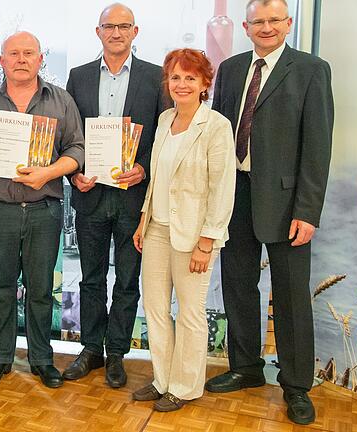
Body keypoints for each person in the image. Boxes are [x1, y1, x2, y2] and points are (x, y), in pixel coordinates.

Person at [204, 0, 334, 425]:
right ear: (245, 26)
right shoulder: (232, 68)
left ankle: (296, 385)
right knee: (238, 285)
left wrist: (308, 211)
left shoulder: (312, 69)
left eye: (274, 20)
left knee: (292, 294)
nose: (266, 27)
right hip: (235, 195)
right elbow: (220, 133)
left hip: (286, 202)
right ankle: (245, 368)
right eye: (257, 21)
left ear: (288, 23)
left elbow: (317, 146)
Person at [0, 31, 85, 389]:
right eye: (14, 53)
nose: (21, 59)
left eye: (29, 53)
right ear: (2, 60)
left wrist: (49, 172)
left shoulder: (61, 101)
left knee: (41, 288)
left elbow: (77, 149)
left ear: (40, 58)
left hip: (45, 209)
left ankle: (42, 359)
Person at [63, 3, 167, 387]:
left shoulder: (157, 78)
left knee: (126, 280)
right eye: (110, 26)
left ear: (135, 32)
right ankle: (91, 349)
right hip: (90, 194)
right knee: (90, 278)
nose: (117, 33)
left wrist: (145, 168)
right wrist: (75, 176)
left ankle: (117, 354)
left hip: (132, 197)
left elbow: (163, 137)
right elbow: (69, 135)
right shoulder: (78, 76)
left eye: (124, 27)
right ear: (99, 32)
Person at [130, 48, 235, 412]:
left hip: (194, 236)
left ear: (206, 83)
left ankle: (185, 387)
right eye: (175, 77)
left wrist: (207, 241)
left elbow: (222, 188)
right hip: (157, 228)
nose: (182, 84)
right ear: (167, 82)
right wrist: (144, 220)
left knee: (190, 312)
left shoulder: (217, 126)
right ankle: (162, 379)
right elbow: (156, 177)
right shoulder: (164, 120)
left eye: (191, 77)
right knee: (156, 308)